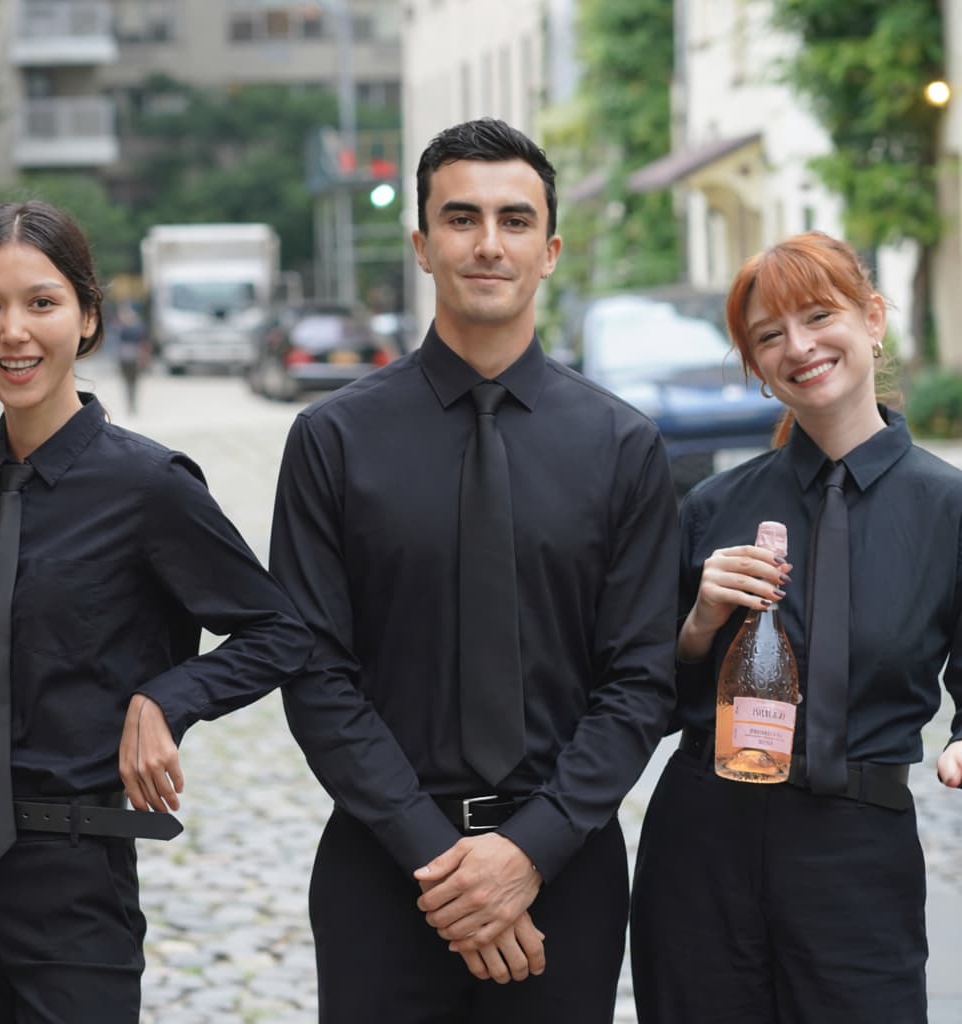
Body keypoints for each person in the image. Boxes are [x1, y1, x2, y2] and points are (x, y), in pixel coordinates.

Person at [0, 199, 310, 1022]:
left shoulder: (151, 488)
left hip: (72, 872)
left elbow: (279, 631)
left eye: (41, 303)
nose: (12, 333)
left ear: (89, 317)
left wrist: (168, 698)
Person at [270, 117, 678, 1021]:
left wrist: (524, 853)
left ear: (551, 249)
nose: (488, 243)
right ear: (421, 245)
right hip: (383, 871)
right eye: (461, 219)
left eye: (514, 220)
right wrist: (444, 865)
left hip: (563, 877)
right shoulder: (333, 442)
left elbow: (641, 683)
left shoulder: (623, 447)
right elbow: (315, 674)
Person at [630, 231, 962, 1023]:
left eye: (819, 316)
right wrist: (699, 621)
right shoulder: (714, 508)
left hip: (857, 851)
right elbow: (644, 693)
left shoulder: (946, 509)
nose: (799, 348)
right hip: (703, 841)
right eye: (769, 336)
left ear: (873, 318)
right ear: (754, 364)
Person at [106, 301, 150, 415]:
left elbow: (143, 343)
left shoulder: (137, 327)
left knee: (133, 382)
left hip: (134, 357)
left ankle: (132, 404)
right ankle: (130, 404)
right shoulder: (120, 326)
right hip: (125, 357)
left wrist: (144, 358)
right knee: (127, 383)